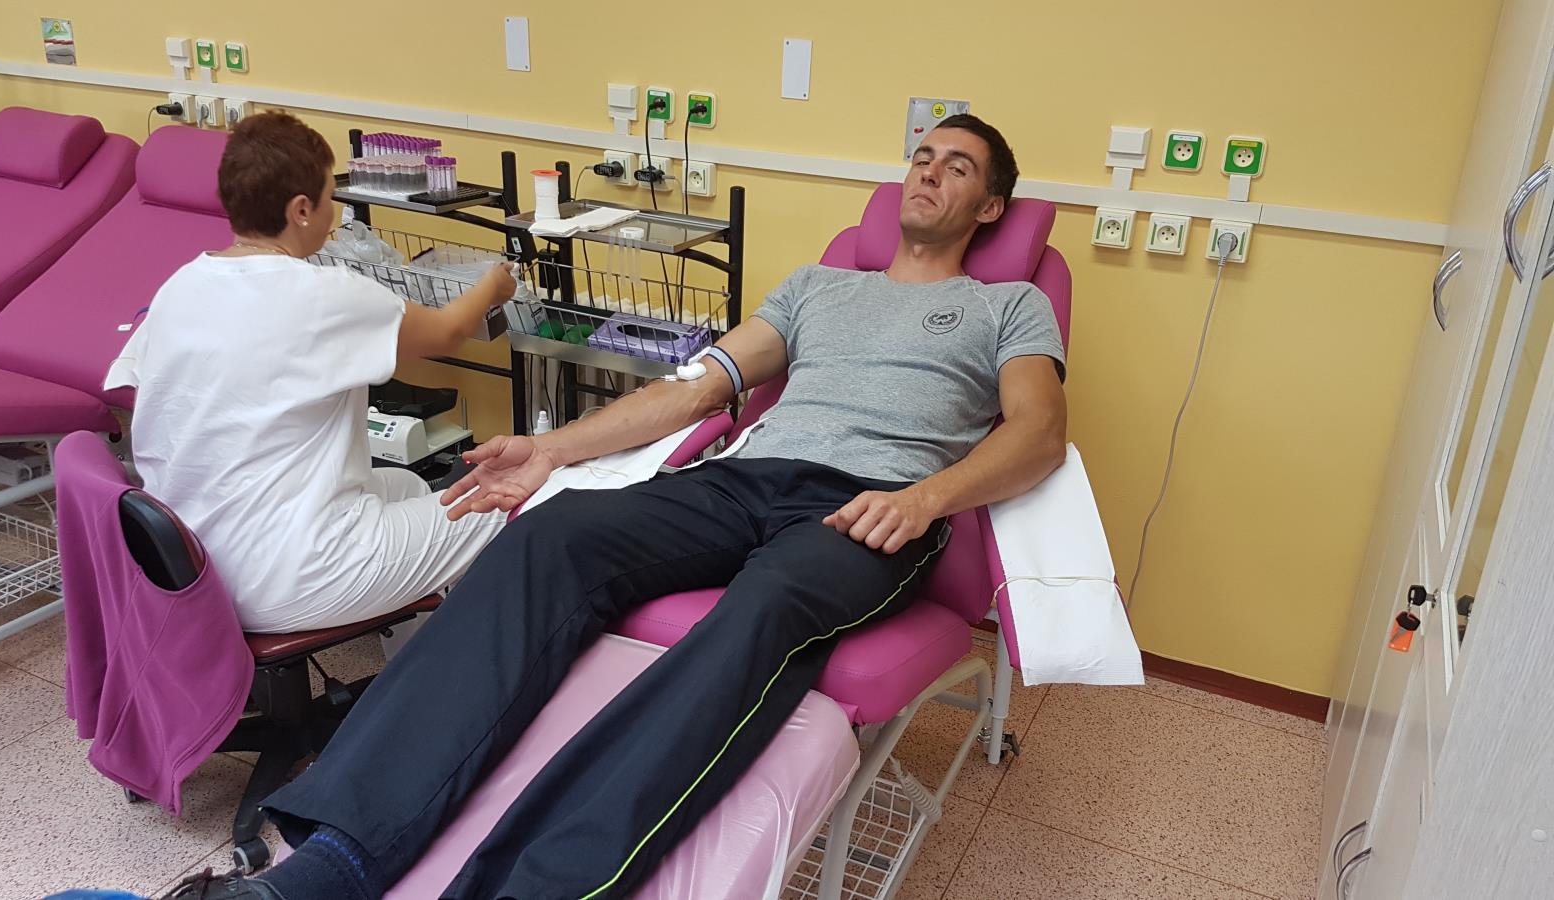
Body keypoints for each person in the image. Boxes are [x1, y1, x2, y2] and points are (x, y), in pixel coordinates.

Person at [133, 112, 1066, 900]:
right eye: (922, 157)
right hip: (744, 476)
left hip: (867, 509)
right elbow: (694, 391)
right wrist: (550, 450)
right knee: (548, 536)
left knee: (763, 611)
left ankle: (543, 885)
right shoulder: (819, 288)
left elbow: (1038, 433)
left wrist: (927, 498)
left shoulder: (1008, 307)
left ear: (990, 207)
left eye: (957, 167)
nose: (928, 174)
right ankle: (328, 865)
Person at [103, 111, 518, 634]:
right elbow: (448, 333)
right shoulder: (324, 293)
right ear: (301, 210)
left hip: (191, 561)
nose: (333, 212)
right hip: (291, 574)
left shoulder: (181, 285)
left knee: (405, 485)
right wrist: (494, 284)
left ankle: (412, 664)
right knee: (510, 500)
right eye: (329, 198)